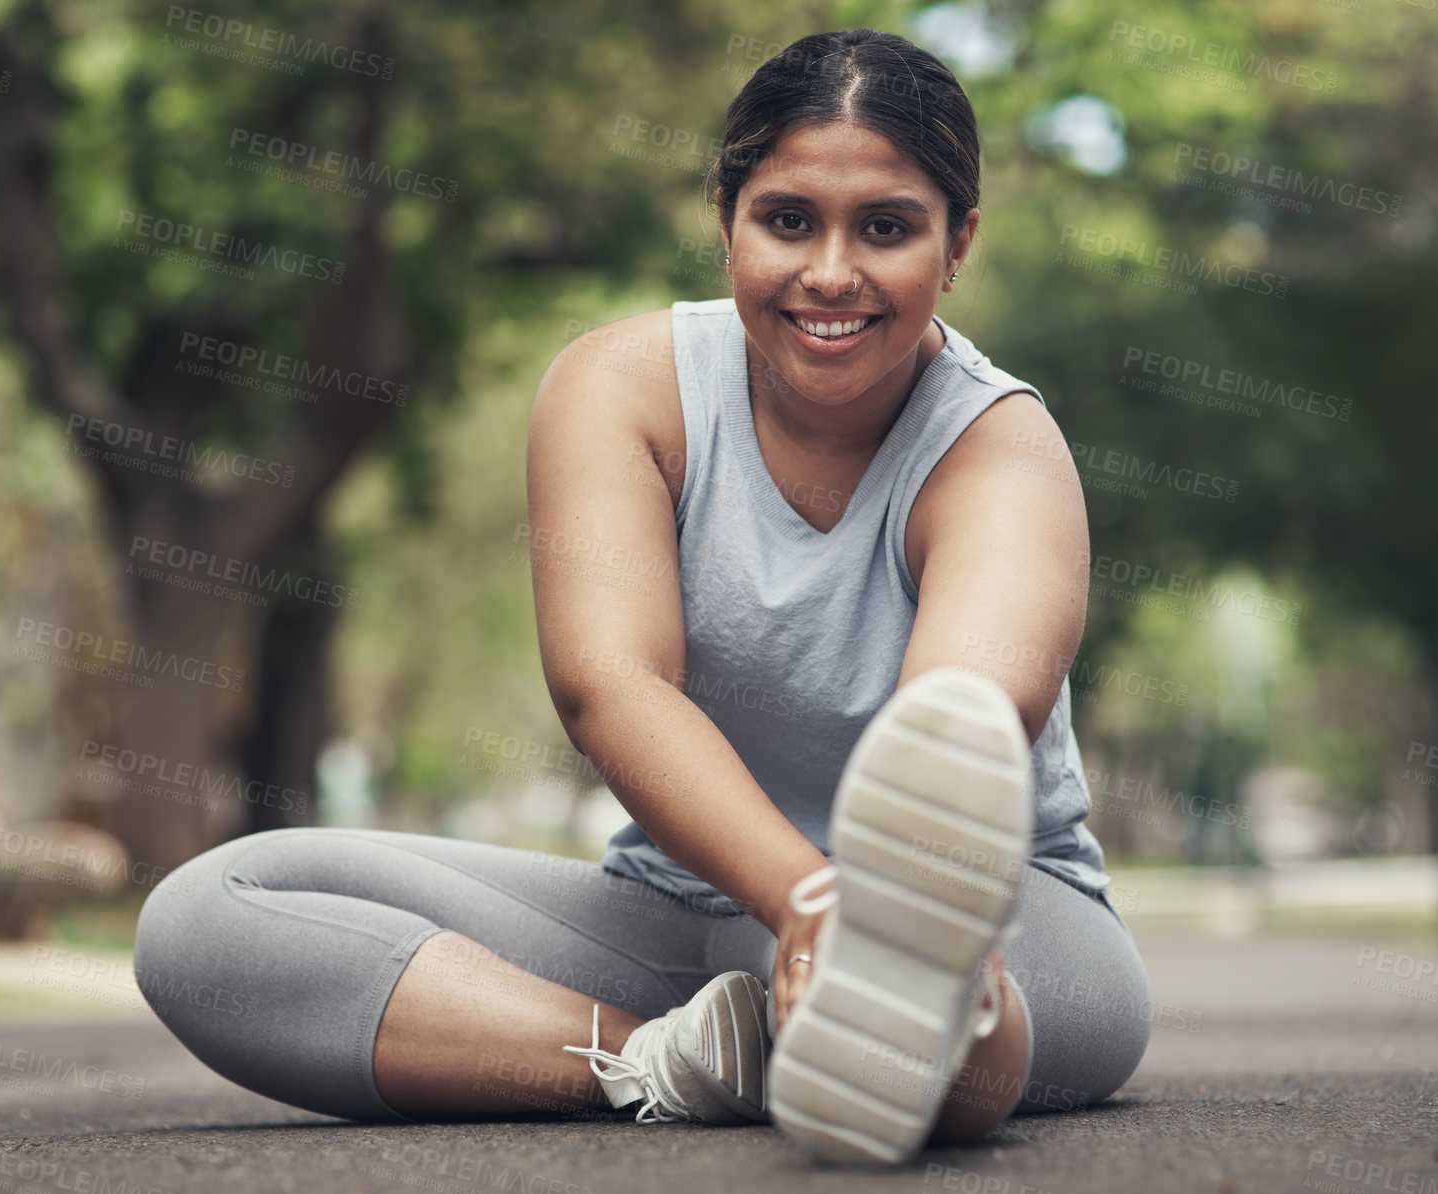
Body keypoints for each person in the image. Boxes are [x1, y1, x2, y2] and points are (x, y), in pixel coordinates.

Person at [132, 27, 1152, 1167]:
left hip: (1000, 917)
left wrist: (860, 923)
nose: (829, 272)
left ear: (957, 244)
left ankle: (905, 1020)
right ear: (726, 223)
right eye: (786, 220)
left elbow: (962, 716)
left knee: (925, 1008)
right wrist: (800, 904)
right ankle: (667, 1059)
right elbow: (611, 686)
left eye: (887, 228)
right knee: (211, 920)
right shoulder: (623, 389)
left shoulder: (1001, 449)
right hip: (683, 914)